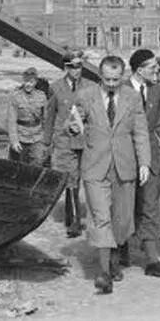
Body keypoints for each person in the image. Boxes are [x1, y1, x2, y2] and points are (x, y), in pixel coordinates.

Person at [68, 55, 151, 294]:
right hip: (95, 165)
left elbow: (141, 132)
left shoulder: (133, 98)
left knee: (122, 220)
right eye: (107, 79)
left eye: (116, 79)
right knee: (101, 217)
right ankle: (104, 273)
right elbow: (72, 122)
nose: (112, 83)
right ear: (99, 76)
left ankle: (114, 257)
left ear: (123, 76)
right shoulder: (85, 95)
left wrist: (144, 162)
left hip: (124, 166)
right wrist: (73, 126)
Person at [119, 49, 160, 278]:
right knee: (123, 204)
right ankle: (120, 250)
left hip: (154, 159)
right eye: (153, 68)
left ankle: (152, 260)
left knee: (150, 205)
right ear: (139, 69)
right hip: (125, 157)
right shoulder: (120, 89)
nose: (158, 71)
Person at [43, 50, 94, 237]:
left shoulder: (90, 87)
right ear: (66, 67)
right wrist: (46, 141)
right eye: (72, 67)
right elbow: (50, 116)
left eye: (79, 67)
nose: (76, 71)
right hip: (64, 140)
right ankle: (74, 221)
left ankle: (71, 214)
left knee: (82, 177)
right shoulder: (56, 88)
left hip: (85, 139)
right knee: (70, 178)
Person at [7, 67, 48, 166]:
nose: (28, 84)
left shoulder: (41, 96)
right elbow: (11, 121)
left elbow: (46, 119)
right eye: (26, 81)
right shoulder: (15, 96)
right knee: (19, 167)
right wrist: (14, 141)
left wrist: (46, 139)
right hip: (21, 137)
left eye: (31, 82)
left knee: (37, 163)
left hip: (37, 137)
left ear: (35, 82)